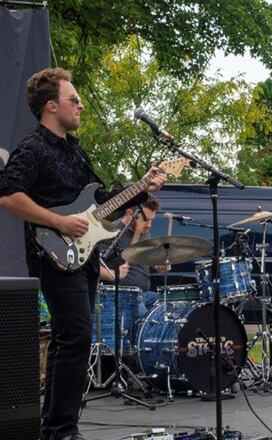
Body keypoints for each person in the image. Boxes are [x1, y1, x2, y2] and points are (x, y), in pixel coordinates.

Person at [0, 67, 166, 440]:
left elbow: (102, 205)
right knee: (76, 337)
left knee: (67, 339)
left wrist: (143, 186)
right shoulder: (33, 147)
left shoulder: (75, 151)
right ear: (51, 106)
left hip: (85, 257)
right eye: (74, 99)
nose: (81, 105)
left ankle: (53, 428)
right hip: (54, 255)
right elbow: (8, 193)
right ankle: (61, 429)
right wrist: (58, 223)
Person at [97, 195, 164, 316]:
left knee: (167, 311)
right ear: (130, 213)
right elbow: (92, 267)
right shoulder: (111, 232)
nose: (149, 225)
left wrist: (158, 266)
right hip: (122, 296)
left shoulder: (144, 232)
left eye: (151, 220)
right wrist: (113, 273)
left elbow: (146, 261)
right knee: (146, 320)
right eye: (145, 219)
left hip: (146, 294)